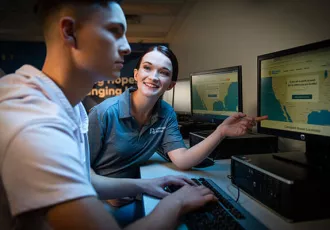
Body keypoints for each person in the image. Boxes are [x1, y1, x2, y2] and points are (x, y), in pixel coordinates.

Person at [0, 1, 217, 229]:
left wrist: (147, 185)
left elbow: (87, 178)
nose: (126, 48)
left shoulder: (71, 107)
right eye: (115, 32)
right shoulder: (37, 123)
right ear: (70, 32)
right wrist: (178, 202)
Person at [88, 45, 268, 180]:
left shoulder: (166, 114)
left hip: (133, 192)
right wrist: (110, 195)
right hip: (101, 199)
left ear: (171, 85)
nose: (153, 77)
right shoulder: (103, 113)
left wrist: (221, 131)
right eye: (147, 68)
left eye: (164, 72)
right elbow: (80, 171)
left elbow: (182, 160)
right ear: (136, 74)